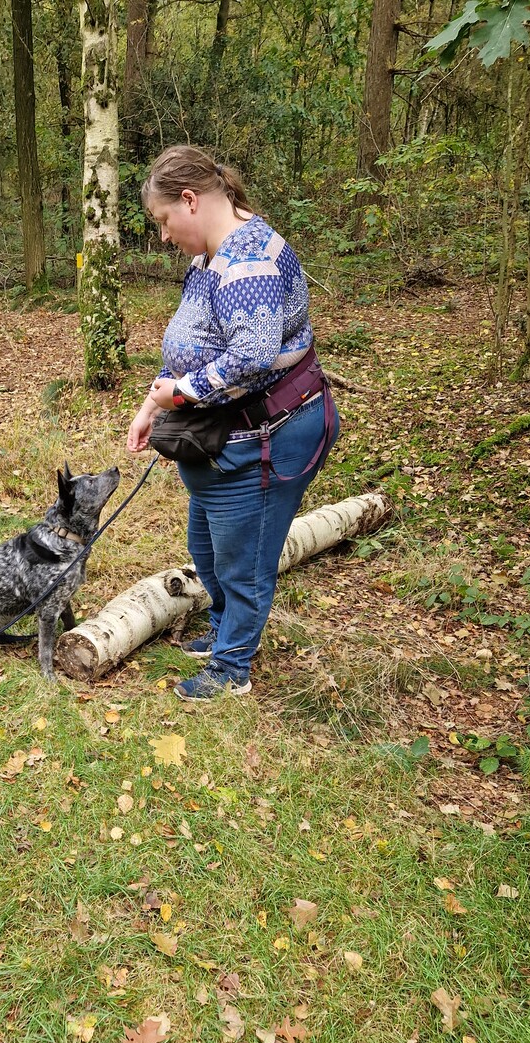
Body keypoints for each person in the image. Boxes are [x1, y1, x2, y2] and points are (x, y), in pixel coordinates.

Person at [126, 145, 339, 700]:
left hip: (273, 433)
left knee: (244, 562)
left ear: (190, 201)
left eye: (164, 220)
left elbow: (252, 354)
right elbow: (191, 344)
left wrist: (181, 393)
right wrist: (153, 404)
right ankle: (225, 629)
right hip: (226, 436)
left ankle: (232, 667)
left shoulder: (249, 263)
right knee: (206, 546)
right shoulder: (210, 258)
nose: (164, 236)